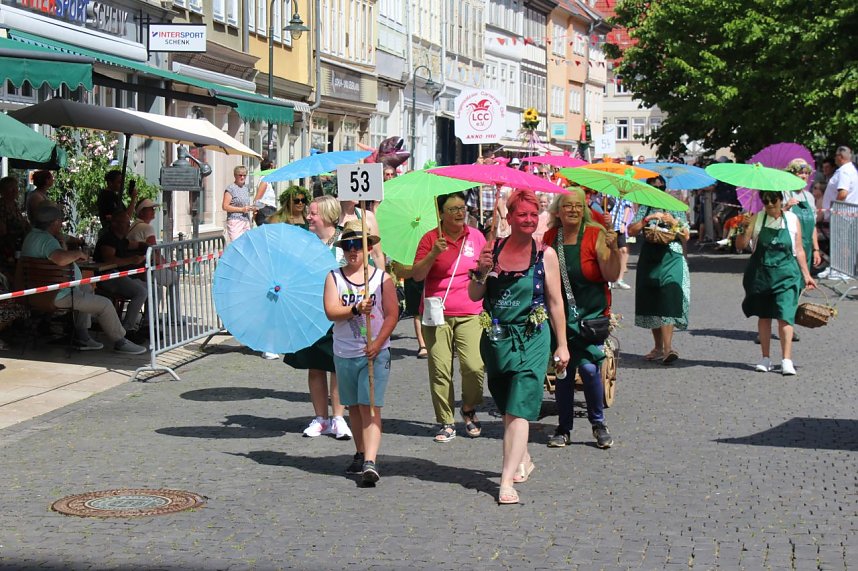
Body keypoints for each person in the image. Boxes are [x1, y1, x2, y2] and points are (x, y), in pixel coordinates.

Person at [468, 189, 570, 505]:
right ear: (509, 217)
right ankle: (522, 455)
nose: (528, 220)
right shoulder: (491, 249)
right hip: (497, 339)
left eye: (533, 214)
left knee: (520, 407)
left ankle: (505, 480)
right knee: (506, 404)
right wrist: (482, 271)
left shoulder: (546, 255)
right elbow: (474, 295)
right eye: (521, 214)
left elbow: (555, 303)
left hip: (533, 336)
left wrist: (562, 345)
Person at [543, 187, 622, 449]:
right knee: (563, 373)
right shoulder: (550, 237)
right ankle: (563, 428)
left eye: (578, 205)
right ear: (558, 210)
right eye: (568, 206)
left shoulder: (596, 234)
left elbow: (611, 275)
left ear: (585, 209)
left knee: (589, 370)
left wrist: (613, 249)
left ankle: (598, 424)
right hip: (561, 316)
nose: (573, 210)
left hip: (591, 317)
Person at [323, 220, 398, 487]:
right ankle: (360, 450)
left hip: (374, 353)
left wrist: (378, 342)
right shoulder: (333, 277)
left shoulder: (381, 278)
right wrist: (356, 309)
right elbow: (331, 311)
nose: (353, 251)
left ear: (368, 248)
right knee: (353, 406)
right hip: (345, 352)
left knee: (371, 406)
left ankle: (370, 460)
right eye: (348, 246)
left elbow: (392, 314)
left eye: (358, 245)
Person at [411, 192, 487, 443]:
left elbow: (484, 270)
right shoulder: (430, 238)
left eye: (462, 207)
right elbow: (417, 276)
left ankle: (469, 407)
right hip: (437, 314)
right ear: (441, 214)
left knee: (474, 366)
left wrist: (486, 266)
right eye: (452, 208)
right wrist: (433, 253)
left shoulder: (475, 236)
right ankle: (446, 421)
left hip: (469, 311)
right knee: (441, 370)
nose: (459, 212)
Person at [21, 204, 146, 354]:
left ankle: (82, 336)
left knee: (86, 287)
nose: (61, 224)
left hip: (37, 294)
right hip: (57, 295)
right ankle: (120, 341)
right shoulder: (47, 241)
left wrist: (62, 243)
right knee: (105, 304)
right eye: (60, 221)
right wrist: (77, 254)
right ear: (54, 222)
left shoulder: (31, 236)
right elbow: (59, 258)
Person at [282, 196, 352, 439]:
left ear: (328, 215)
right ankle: (320, 417)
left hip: (340, 313)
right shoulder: (304, 242)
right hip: (309, 312)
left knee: (338, 366)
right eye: (309, 213)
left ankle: (339, 418)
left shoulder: (345, 240)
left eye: (313, 213)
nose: (309, 217)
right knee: (315, 365)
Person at [735, 191, 817, 375]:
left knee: (785, 316)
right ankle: (765, 358)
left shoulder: (792, 219)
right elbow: (740, 246)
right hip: (762, 274)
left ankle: (787, 360)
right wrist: (742, 228)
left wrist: (806, 275)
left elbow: (799, 250)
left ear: (781, 200)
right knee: (764, 317)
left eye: (773, 200)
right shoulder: (756, 219)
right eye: (766, 201)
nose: (770, 204)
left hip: (787, 274)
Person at [627, 175, 691, 365]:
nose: (657, 189)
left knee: (668, 296)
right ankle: (658, 347)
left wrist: (672, 222)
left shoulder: (676, 206)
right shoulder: (645, 206)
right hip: (650, 256)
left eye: (660, 186)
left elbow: (686, 235)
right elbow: (631, 231)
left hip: (671, 256)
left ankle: (668, 348)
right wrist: (649, 218)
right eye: (653, 186)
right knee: (651, 298)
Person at [94, 209, 149, 337]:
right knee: (141, 292)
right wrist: (132, 260)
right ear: (115, 224)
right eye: (126, 223)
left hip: (121, 276)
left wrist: (145, 246)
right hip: (108, 277)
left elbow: (133, 245)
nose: (129, 226)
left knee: (153, 289)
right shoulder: (108, 239)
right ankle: (126, 329)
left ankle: (146, 325)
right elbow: (110, 260)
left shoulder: (121, 240)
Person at [127, 199, 180, 324]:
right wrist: (167, 265)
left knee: (157, 288)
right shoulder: (147, 228)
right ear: (142, 212)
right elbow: (154, 253)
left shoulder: (132, 226)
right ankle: (174, 317)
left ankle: (150, 320)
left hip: (134, 269)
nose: (153, 211)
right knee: (175, 277)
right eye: (150, 209)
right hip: (145, 270)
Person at [339, 200, 385, 269]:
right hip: (339, 273)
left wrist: (381, 278)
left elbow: (377, 255)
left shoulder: (367, 216)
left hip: (365, 273)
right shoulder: (331, 216)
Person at [0, 176, 29, 273]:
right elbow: (2, 230)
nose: (15, 190)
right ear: (3, 190)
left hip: (18, 245)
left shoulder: (15, 205)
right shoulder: (2, 206)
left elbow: (23, 223)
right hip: (6, 248)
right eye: (11, 187)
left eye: (16, 187)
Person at [222, 165, 255, 242]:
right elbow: (225, 206)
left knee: (246, 246)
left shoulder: (245, 188)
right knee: (237, 245)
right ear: (235, 175)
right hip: (235, 221)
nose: (242, 177)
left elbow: (244, 205)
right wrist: (242, 209)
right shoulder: (231, 188)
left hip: (246, 220)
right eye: (240, 175)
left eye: (244, 175)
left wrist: (252, 208)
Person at [608, 197, 635, 289]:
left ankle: (620, 279)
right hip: (608, 224)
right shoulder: (608, 190)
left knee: (623, 250)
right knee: (608, 250)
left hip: (619, 225)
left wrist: (624, 223)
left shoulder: (626, 191)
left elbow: (627, 207)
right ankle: (608, 278)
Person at [253, 159, 277, 226]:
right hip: (266, 211)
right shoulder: (264, 180)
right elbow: (257, 199)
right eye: (273, 168)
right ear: (270, 168)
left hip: (268, 211)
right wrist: (254, 213)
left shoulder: (267, 180)